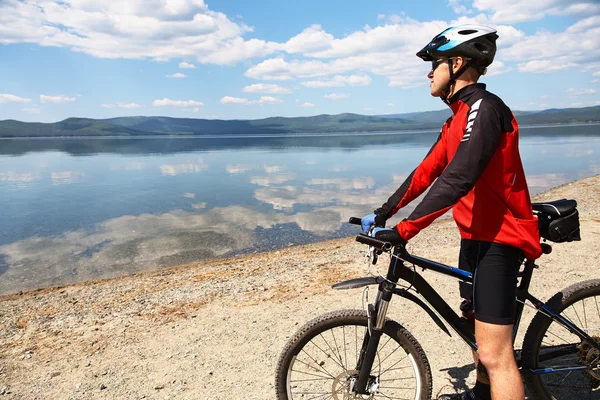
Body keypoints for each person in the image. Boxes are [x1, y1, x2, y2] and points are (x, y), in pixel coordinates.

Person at [361, 25, 542, 400]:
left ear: (457, 64)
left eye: (435, 64)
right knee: (476, 333)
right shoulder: (455, 117)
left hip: (500, 240)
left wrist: (405, 229)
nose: (429, 73)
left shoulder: (486, 109)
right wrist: (382, 213)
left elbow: (458, 177)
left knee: (496, 353)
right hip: (473, 238)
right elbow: (427, 171)